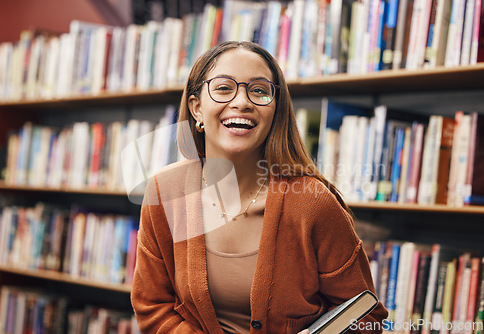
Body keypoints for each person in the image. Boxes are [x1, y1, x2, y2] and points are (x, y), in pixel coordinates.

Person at [131, 41, 388, 334]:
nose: (242, 101)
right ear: (197, 108)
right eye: (224, 88)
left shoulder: (313, 202)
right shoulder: (165, 192)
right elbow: (152, 307)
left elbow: (366, 318)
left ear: (275, 111)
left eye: (260, 91)